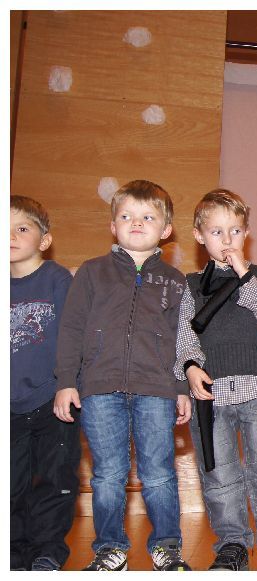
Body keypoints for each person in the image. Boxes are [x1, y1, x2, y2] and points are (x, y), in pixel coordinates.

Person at [54, 180, 192, 571]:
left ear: (166, 229)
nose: (136, 223)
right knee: (107, 474)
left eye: (148, 217)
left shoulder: (176, 281)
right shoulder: (91, 273)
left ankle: (167, 546)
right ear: (112, 225)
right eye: (127, 216)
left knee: (159, 473)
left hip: (156, 390)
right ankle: (110, 549)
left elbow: (183, 339)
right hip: (99, 389)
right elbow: (71, 329)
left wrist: (180, 386)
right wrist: (66, 381)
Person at [174, 189, 257, 570]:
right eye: (217, 232)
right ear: (199, 236)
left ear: (246, 233)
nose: (227, 239)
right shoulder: (191, 286)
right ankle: (232, 543)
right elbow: (185, 336)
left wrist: (244, 272)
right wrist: (190, 367)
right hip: (211, 395)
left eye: (235, 231)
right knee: (220, 472)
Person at [10, 195, 78, 571]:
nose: (11, 236)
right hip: (10, 407)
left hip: (52, 401)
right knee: (12, 484)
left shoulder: (57, 279)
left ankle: (48, 550)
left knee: (55, 478)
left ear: (45, 240)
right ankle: (14, 555)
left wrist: (68, 383)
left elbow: (72, 338)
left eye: (22, 228)